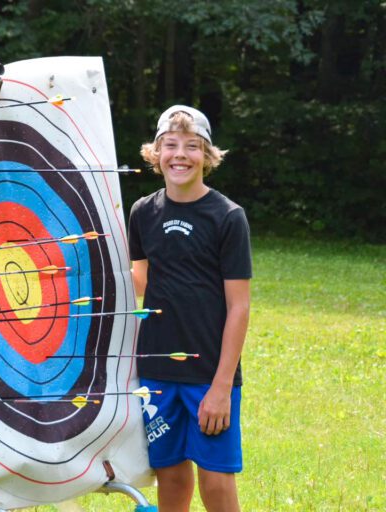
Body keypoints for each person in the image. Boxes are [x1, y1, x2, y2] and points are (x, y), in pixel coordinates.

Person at [128, 106, 251, 511]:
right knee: (172, 476)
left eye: (192, 147)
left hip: (209, 373)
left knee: (215, 482)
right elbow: (139, 281)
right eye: (171, 145)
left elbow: (239, 307)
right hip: (157, 371)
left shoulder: (228, 217)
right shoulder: (143, 212)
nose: (180, 155)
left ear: (208, 156)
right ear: (156, 153)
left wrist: (221, 387)